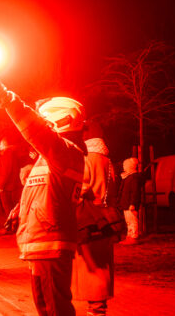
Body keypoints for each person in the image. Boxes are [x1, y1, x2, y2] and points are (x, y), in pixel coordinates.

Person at [0, 79, 85, 316]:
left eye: (45, 121)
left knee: (55, 308)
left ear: (60, 120)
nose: (42, 125)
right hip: (43, 243)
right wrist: (20, 210)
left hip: (50, 243)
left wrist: (5, 97)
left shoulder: (66, 151)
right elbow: (44, 191)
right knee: (45, 306)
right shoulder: (54, 157)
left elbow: (35, 130)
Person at [72, 127, 117, 316]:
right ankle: (99, 309)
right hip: (107, 218)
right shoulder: (108, 161)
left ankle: (94, 310)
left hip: (89, 219)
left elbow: (82, 187)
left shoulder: (86, 159)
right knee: (103, 268)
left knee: (90, 267)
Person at [0, 137, 23, 216]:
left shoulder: (6, 154)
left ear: (3, 144)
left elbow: (5, 171)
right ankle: (16, 226)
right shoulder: (14, 153)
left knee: (9, 209)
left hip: (7, 188)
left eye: (0, 144)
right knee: (16, 209)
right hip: (15, 186)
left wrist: (0, 186)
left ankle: (12, 226)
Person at [118, 157, 141, 245]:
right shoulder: (127, 177)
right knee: (129, 221)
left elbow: (135, 192)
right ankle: (130, 236)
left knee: (132, 221)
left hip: (130, 204)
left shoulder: (134, 178)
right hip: (126, 203)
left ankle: (134, 237)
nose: (124, 167)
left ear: (130, 166)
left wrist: (133, 203)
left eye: (125, 165)